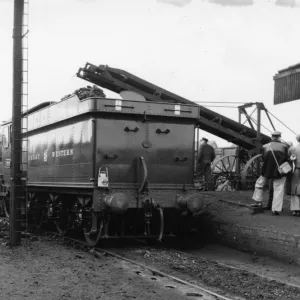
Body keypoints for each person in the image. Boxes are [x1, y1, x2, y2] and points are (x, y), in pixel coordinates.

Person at [252, 131, 289, 215]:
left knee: (259, 185)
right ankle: (275, 209)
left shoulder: (265, 146)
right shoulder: (284, 146)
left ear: (271, 137)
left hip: (266, 170)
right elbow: (286, 159)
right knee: (278, 189)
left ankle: (258, 203)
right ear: (279, 137)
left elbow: (262, 159)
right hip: (279, 171)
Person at [287, 134, 300, 216]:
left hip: (297, 170)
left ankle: (296, 209)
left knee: (295, 189)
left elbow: (289, 157)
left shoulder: (293, 149)